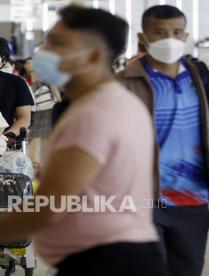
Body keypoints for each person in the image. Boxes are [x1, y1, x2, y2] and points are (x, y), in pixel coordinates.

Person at [0, 6, 166, 276]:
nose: (45, 52)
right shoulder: (118, 101)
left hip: (106, 260)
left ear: (94, 56)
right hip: (118, 251)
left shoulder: (94, 114)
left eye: (58, 43)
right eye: (48, 41)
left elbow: (47, 207)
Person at [119, 5, 209, 276]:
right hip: (143, 200)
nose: (170, 38)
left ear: (185, 36)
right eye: (160, 32)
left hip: (194, 199)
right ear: (143, 37)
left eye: (177, 32)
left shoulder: (201, 78)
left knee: (188, 270)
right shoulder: (123, 83)